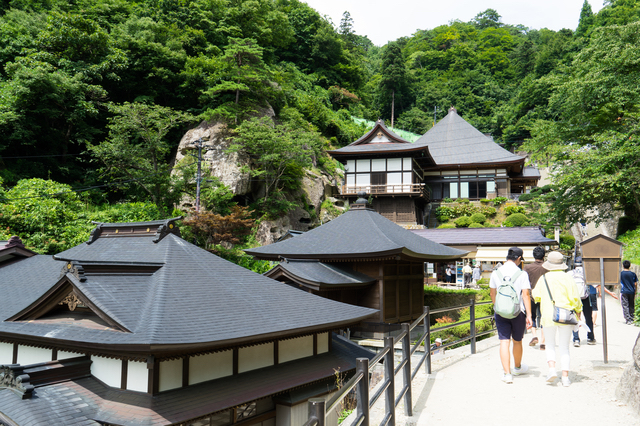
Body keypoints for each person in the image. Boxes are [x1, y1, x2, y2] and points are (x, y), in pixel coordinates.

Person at [532, 251, 582, 387]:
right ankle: (565, 377)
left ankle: (552, 370)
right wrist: (578, 312)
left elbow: (536, 296)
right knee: (565, 346)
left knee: (550, 344)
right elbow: (576, 298)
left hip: (549, 315)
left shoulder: (544, 278)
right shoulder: (568, 278)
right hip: (566, 316)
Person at [490, 247, 532, 384]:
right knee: (517, 341)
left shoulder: (496, 272)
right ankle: (517, 368)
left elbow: (492, 293)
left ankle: (507, 374)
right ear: (519, 259)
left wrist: (498, 307)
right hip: (517, 311)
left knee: (504, 341)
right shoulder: (522, 274)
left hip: (500, 311)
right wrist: (529, 315)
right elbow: (525, 295)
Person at [523, 246, 546, 349]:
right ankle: (543, 342)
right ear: (544, 256)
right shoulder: (547, 267)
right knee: (543, 318)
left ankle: (534, 336)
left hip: (530, 295)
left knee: (531, 316)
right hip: (544, 295)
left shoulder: (527, 268)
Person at [568, 257, 595, 346]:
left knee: (575, 318)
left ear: (574, 264)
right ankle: (590, 338)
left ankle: (576, 339)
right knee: (588, 318)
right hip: (585, 298)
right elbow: (596, 284)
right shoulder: (587, 273)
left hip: (574, 298)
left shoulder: (570, 273)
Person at [620, 260, 638, 325]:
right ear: (630, 266)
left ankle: (628, 319)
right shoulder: (633, 274)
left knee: (625, 305)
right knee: (631, 305)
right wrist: (635, 291)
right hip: (631, 291)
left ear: (623, 265)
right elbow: (635, 284)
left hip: (624, 291)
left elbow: (618, 281)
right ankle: (632, 318)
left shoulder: (621, 274)